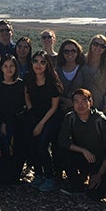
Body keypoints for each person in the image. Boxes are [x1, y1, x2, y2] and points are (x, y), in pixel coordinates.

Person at [57, 89, 106, 196]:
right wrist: (83, 150)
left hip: (100, 160)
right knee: (62, 152)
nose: (80, 105)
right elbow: (63, 141)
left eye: (84, 101)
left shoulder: (101, 120)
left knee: (95, 195)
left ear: (91, 102)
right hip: (83, 156)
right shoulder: (70, 117)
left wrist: (99, 174)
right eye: (76, 101)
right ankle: (76, 185)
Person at [24, 50, 63, 192]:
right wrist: (31, 113)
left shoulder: (52, 82)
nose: (38, 65)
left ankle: (49, 177)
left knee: (42, 145)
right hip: (35, 114)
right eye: (35, 61)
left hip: (51, 116)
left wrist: (40, 124)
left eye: (42, 62)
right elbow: (27, 95)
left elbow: (54, 107)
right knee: (33, 145)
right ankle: (38, 174)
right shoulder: (29, 77)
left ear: (48, 64)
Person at [0, 55, 26, 160]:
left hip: (14, 120)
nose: (9, 69)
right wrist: (1, 123)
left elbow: (19, 107)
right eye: (6, 66)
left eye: (11, 66)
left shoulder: (20, 85)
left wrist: (6, 122)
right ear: (1, 67)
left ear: (16, 67)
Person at [81, 34, 106, 115]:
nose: (98, 48)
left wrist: (105, 108)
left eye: (102, 46)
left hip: (100, 108)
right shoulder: (82, 61)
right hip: (80, 106)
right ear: (91, 45)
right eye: (95, 44)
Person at [55, 39, 85, 114]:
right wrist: (65, 101)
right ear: (62, 53)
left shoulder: (83, 69)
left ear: (78, 52)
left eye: (73, 51)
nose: (70, 53)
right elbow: (53, 90)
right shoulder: (57, 70)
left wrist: (74, 103)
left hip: (80, 110)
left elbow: (87, 89)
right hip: (59, 109)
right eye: (66, 51)